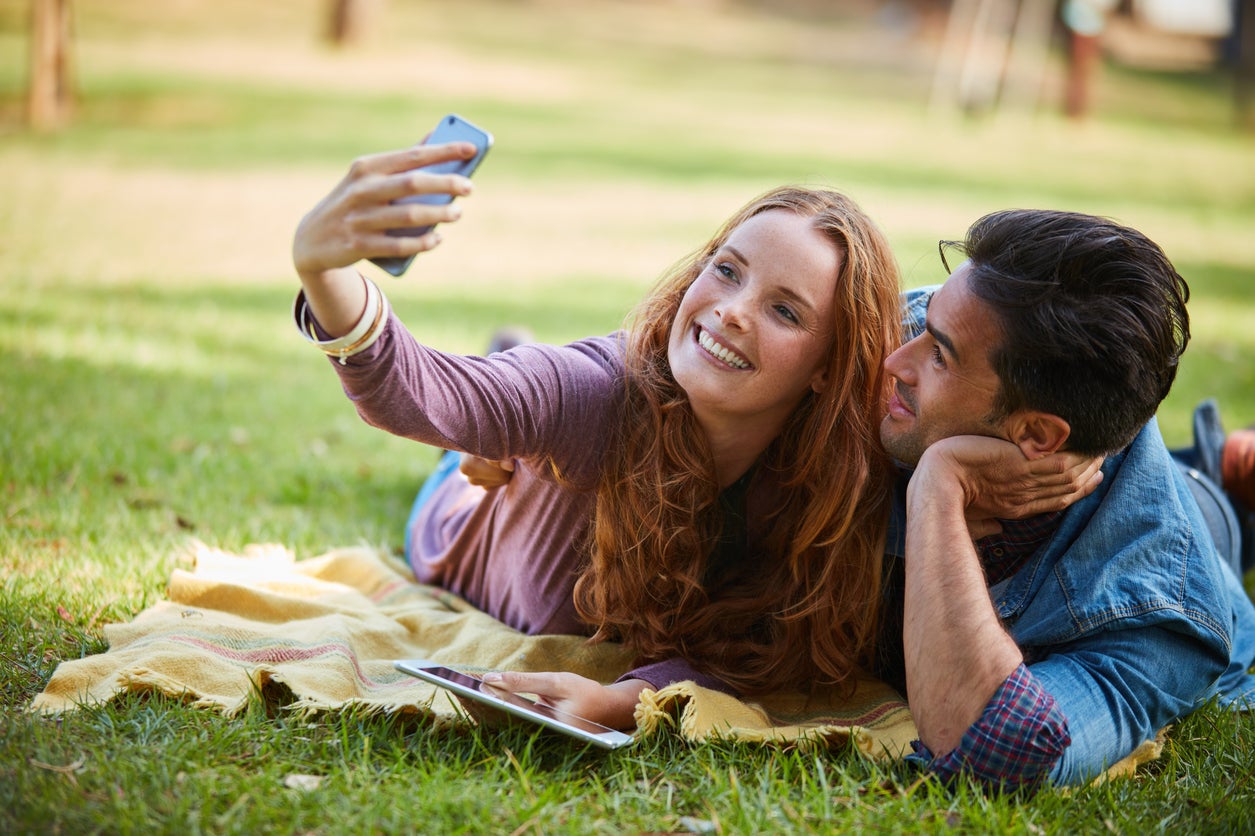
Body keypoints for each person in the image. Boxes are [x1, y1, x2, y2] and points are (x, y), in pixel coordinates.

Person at [290, 140, 905, 730]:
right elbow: (422, 391)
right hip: (463, 515)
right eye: (727, 270)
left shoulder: (814, 485)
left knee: (522, 400)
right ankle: (513, 369)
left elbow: (762, 654)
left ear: (829, 366)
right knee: (486, 431)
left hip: (557, 416)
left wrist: (622, 700)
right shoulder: (594, 396)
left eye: (786, 311)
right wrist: (323, 272)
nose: (734, 310)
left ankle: (514, 365)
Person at [876, 208, 1255, 790]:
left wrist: (940, 482)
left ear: (1036, 437)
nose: (893, 361)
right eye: (925, 325)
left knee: (1219, 511)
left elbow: (989, 750)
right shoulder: (958, 324)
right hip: (1093, 434)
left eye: (939, 355)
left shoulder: (1162, 618)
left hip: (1196, 518)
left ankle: (1223, 476)